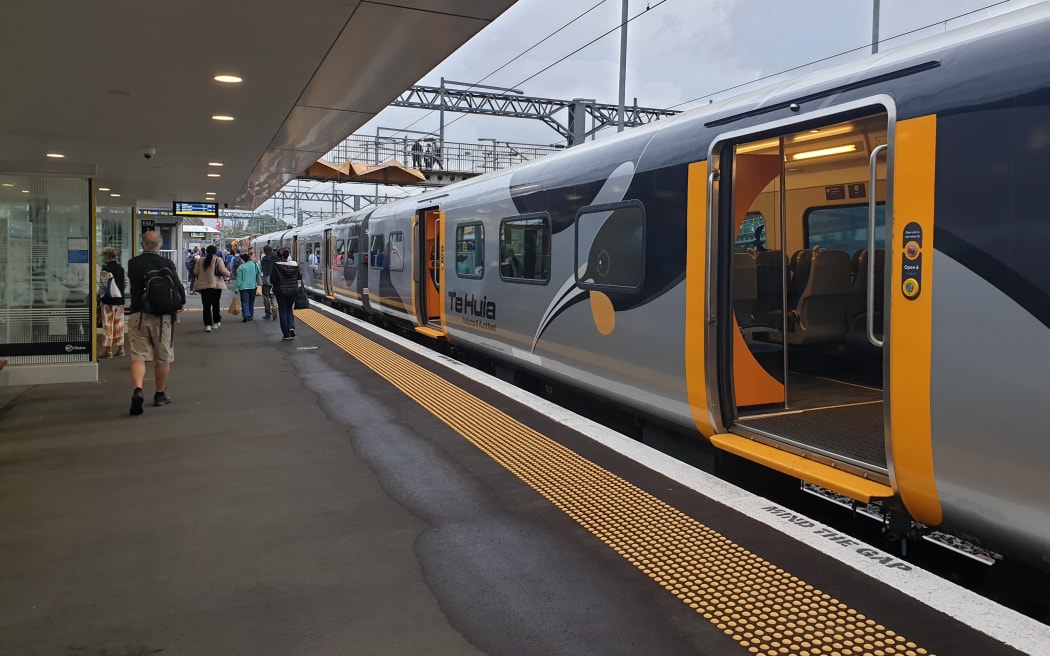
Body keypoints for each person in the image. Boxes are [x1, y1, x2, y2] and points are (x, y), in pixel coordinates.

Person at [126, 229, 185, 415]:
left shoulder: (133, 263)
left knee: (138, 356)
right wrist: (181, 302)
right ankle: (160, 394)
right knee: (162, 358)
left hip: (138, 314)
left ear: (142, 245)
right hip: (162, 316)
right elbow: (178, 285)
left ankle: (138, 389)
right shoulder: (166, 263)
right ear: (160, 245)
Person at [193, 244, 230, 332]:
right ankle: (216, 323)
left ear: (206, 251)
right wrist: (228, 274)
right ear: (215, 252)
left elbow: (195, 272)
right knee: (216, 305)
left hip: (204, 286)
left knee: (206, 306)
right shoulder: (218, 259)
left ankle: (207, 325)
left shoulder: (200, 260)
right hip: (215, 286)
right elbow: (222, 270)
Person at [98, 245, 126, 358]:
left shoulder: (105, 269)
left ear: (107, 256)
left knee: (108, 324)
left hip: (108, 301)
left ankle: (108, 350)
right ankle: (121, 349)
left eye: (103, 256)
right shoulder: (121, 269)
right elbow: (125, 283)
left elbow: (103, 286)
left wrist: (100, 297)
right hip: (120, 300)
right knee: (119, 324)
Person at [270, 247, 301, 340]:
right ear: (288, 256)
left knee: (283, 311)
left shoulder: (276, 266)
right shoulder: (294, 265)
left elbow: (273, 280)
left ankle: (286, 334)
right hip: (292, 291)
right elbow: (299, 276)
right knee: (289, 309)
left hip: (281, 292)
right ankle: (291, 327)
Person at [235, 252, 262, 322]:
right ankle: (250, 316)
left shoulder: (241, 267)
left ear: (243, 260)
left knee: (245, 302)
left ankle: (246, 315)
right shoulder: (255, 265)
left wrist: (236, 288)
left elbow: (239, 279)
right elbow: (259, 273)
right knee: (251, 302)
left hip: (243, 287)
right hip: (253, 286)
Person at [259, 244, 278, 319]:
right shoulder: (276, 258)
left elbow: (262, 270)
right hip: (275, 280)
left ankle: (268, 313)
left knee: (266, 296)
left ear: (265, 251)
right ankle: (274, 306)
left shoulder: (264, 259)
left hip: (266, 280)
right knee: (273, 295)